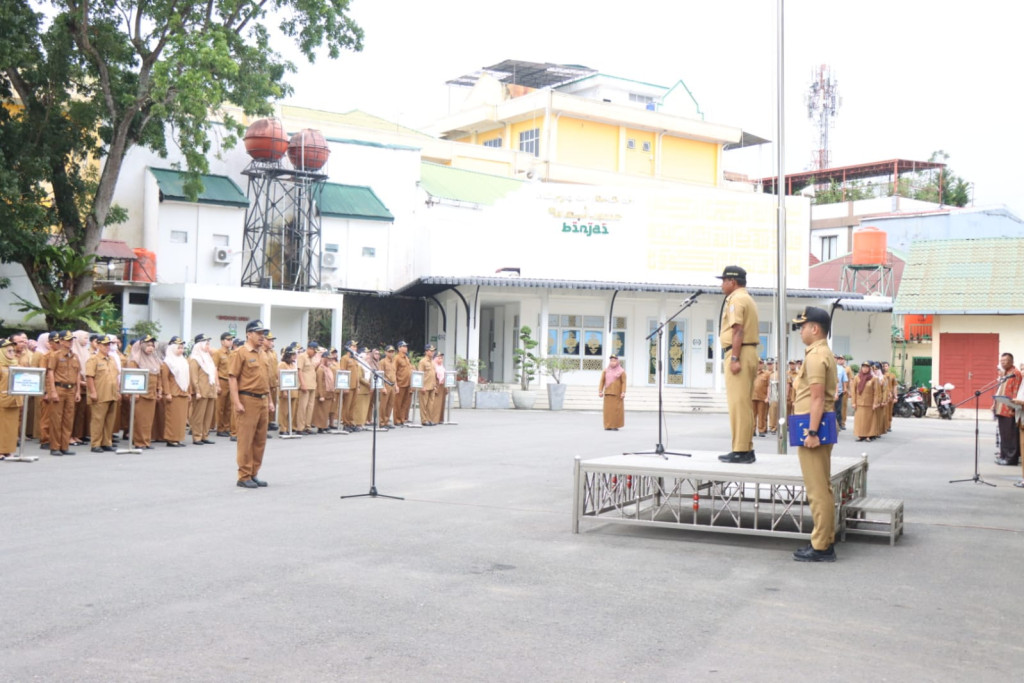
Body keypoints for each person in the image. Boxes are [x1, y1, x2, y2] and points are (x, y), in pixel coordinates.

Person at [790, 306, 838, 562]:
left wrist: (811, 432)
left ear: (815, 329)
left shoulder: (816, 356)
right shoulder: (821, 353)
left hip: (813, 430)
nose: (800, 331)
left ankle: (821, 546)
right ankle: (825, 539)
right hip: (817, 426)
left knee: (817, 490)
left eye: (803, 326)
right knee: (822, 487)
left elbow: (818, 398)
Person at [717, 265, 759, 463]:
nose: (721, 285)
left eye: (723, 281)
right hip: (746, 351)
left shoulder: (736, 299)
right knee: (743, 404)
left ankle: (741, 450)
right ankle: (745, 448)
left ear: (732, 282)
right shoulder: (745, 297)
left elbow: (738, 330)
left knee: (738, 404)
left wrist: (734, 358)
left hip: (739, 352)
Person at [228, 320, 274, 489]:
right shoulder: (240, 353)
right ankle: (244, 475)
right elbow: (232, 378)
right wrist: (236, 402)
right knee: (246, 440)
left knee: (260, 440)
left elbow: (265, 380)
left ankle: (254, 473)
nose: (262, 337)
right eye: (258, 333)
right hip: (247, 400)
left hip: (262, 400)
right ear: (249, 334)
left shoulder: (263, 354)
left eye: (263, 334)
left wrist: (270, 400)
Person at [44, 330, 81, 456]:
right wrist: (52, 391)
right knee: (56, 419)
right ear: (60, 341)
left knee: (68, 419)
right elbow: (50, 373)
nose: (70, 342)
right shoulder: (55, 355)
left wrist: (78, 391)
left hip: (71, 390)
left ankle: (64, 446)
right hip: (59, 388)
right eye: (67, 340)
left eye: (71, 340)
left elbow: (77, 374)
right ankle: (55, 447)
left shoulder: (75, 356)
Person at [86, 334, 121, 452]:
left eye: (108, 345)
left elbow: (116, 376)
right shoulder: (93, 359)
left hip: (112, 393)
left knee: (109, 420)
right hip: (100, 393)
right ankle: (96, 444)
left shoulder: (112, 359)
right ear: (98, 345)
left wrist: (117, 390)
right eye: (104, 345)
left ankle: (106, 442)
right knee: (98, 420)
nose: (107, 347)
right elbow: (89, 377)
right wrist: (93, 392)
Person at [127, 336, 161, 449]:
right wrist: (135, 393)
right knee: (140, 419)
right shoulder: (135, 360)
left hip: (151, 393)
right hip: (140, 394)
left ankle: (146, 441)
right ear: (141, 346)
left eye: (152, 345)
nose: (150, 348)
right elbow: (131, 377)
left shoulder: (154, 359)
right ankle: (139, 442)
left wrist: (159, 389)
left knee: (148, 419)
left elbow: (158, 376)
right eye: (147, 345)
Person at [188, 334, 218, 445]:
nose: (208, 346)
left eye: (209, 344)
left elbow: (212, 374)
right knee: (199, 416)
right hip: (201, 391)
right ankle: (197, 436)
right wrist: (197, 391)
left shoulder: (208, 358)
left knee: (208, 416)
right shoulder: (195, 359)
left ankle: (205, 435)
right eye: (206, 344)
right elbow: (194, 377)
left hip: (210, 390)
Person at [161, 336, 190, 448]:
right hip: (173, 393)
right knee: (172, 417)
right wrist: (167, 393)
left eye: (182, 348)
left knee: (181, 418)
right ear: (172, 348)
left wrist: (188, 392)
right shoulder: (167, 362)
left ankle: (178, 438)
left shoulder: (183, 361)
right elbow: (165, 379)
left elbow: (187, 378)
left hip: (183, 392)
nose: (181, 350)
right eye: (179, 348)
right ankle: (171, 439)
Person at [996, 352, 1022, 466]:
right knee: (1004, 435)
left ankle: (1011, 458)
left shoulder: (1015, 373)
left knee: (1011, 435)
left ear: (1011, 361)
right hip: (1001, 408)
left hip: (1009, 409)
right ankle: (1004, 456)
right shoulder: (1006, 373)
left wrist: (1013, 408)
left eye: (1005, 361)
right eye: (1001, 361)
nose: (1002, 363)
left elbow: (1016, 391)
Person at [0, 339, 24, 459]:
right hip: (2, 400)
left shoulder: (16, 364)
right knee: (2, 426)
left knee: (12, 427)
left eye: (12, 350)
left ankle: (8, 450)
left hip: (15, 400)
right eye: (8, 350)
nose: (12, 353)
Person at [212, 332, 235, 437]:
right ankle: (220, 428)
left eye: (231, 340)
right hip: (222, 380)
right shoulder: (218, 353)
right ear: (222, 341)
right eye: (228, 340)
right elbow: (215, 369)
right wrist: (217, 384)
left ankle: (227, 427)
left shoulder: (232, 353)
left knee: (229, 407)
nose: (230, 342)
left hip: (230, 381)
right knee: (220, 407)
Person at [296, 342, 319, 434]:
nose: (315, 353)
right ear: (309, 348)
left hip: (312, 385)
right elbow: (299, 371)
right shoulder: (302, 356)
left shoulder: (312, 358)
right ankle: (300, 428)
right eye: (314, 351)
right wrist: (302, 384)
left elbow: (312, 370)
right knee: (303, 407)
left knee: (310, 407)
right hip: (305, 385)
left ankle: (307, 426)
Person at [598, 355, 626, 430]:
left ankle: (615, 426)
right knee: (608, 411)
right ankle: (607, 426)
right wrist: (600, 391)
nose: (612, 362)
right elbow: (602, 381)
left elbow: (623, 382)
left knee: (616, 411)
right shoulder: (605, 371)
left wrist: (623, 392)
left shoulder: (621, 371)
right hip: (608, 394)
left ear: (617, 362)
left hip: (617, 394)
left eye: (614, 361)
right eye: (611, 361)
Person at [277, 344, 299, 434]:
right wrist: (284, 391)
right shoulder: (282, 364)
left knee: (292, 411)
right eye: (293, 355)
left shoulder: (293, 365)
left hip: (293, 391)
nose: (295, 356)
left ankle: (289, 427)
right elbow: (280, 378)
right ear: (288, 355)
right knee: (284, 411)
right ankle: (283, 428)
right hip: (285, 391)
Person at [378, 345, 398, 429]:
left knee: (390, 404)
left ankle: (386, 421)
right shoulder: (382, 362)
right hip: (386, 384)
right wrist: (382, 387)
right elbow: (380, 375)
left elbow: (394, 374)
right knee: (383, 404)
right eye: (389, 351)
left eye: (392, 351)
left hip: (392, 384)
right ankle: (381, 422)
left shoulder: (394, 362)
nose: (391, 353)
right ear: (385, 352)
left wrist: (396, 385)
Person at [418, 344, 438, 426]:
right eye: (431, 351)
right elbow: (420, 374)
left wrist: (435, 385)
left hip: (432, 386)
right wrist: (421, 386)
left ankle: (429, 419)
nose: (433, 352)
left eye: (433, 351)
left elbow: (434, 374)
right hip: (425, 386)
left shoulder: (433, 362)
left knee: (430, 404)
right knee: (424, 404)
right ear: (426, 351)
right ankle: (424, 420)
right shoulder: (422, 361)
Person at [394, 341, 413, 426]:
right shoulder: (397, 358)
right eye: (404, 346)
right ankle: (397, 420)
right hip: (400, 383)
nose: (406, 348)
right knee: (398, 403)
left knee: (405, 403)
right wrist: (395, 385)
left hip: (407, 383)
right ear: (399, 348)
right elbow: (394, 371)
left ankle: (402, 418)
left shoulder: (406, 358)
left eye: (406, 346)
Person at [752, 358, 770, 437]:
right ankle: (752, 430)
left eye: (760, 363)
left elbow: (769, 386)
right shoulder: (752, 373)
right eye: (758, 363)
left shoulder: (766, 374)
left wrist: (768, 397)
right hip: (752, 396)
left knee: (762, 415)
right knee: (752, 415)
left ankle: (761, 430)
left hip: (762, 397)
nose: (759, 364)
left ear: (763, 364)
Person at [433, 352, 447, 424]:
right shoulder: (433, 366)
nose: (440, 360)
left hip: (442, 386)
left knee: (442, 403)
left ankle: (440, 419)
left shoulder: (442, 367)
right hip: (436, 385)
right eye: (439, 358)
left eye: (441, 358)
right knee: (436, 403)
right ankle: (434, 419)